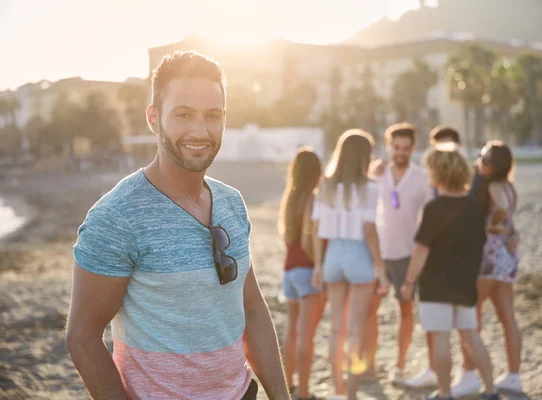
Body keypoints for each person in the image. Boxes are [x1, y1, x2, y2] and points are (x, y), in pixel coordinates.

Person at [65, 51, 290, 400]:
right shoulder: (117, 217)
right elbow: (82, 336)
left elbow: (252, 308)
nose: (199, 131)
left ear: (224, 120)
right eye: (183, 114)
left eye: (212, 116)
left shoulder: (231, 203)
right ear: (154, 119)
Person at [400, 142, 499, 400]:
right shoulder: (475, 207)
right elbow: (480, 244)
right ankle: (490, 388)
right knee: (471, 336)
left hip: (435, 284)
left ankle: (444, 393)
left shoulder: (433, 209)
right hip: (465, 281)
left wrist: (409, 281)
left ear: (437, 173)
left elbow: (421, 250)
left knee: (441, 338)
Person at [311, 129, 389, 400]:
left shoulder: (326, 185)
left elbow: (318, 229)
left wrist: (319, 266)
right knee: (355, 329)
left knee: (335, 330)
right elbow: (369, 230)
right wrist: (380, 267)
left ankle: (338, 391)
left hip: (333, 253)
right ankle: (352, 394)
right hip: (358, 254)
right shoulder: (370, 188)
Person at [362, 123, 433, 385]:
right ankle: (368, 364)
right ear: (389, 146)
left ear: (413, 148)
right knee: (371, 310)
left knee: (406, 311)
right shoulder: (377, 174)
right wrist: (370, 171)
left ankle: (400, 366)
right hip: (378, 254)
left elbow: (431, 217)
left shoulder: (422, 177)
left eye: (406, 148)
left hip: (407, 255)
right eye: (396, 147)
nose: (400, 152)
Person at [453, 141, 523, 396]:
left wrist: (491, 225)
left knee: (469, 315)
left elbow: (502, 210)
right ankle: (514, 376)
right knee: (508, 317)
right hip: (507, 256)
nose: (477, 163)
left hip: (488, 257)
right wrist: (507, 230)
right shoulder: (509, 186)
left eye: (482, 159)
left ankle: (469, 374)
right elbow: (510, 216)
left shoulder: (493, 186)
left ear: (494, 165)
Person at [278, 147, 326, 400]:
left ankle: (289, 386)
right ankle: (305, 393)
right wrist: (319, 262)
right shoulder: (312, 198)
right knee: (306, 335)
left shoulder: (291, 196)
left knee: (291, 333)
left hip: (290, 269)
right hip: (307, 270)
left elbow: (290, 236)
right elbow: (309, 237)